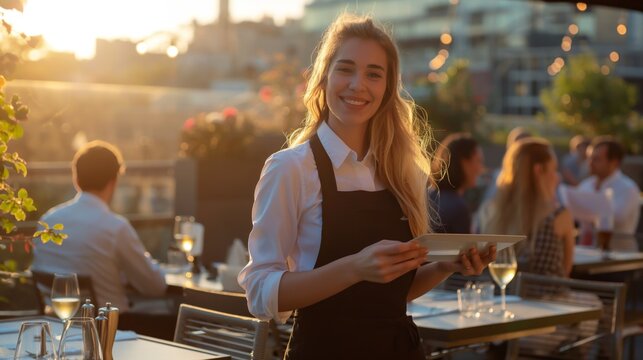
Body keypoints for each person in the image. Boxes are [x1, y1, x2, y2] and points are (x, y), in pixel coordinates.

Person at [238, 14, 496, 360]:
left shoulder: (401, 172)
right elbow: (259, 294)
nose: (358, 84)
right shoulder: (291, 168)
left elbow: (390, 295)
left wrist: (446, 266)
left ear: (388, 88)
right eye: (345, 69)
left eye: (374, 73)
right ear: (324, 77)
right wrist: (354, 268)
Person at [32, 140, 167, 312]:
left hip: (57, 326)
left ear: (76, 179)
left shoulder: (48, 221)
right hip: (110, 331)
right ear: (113, 182)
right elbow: (155, 287)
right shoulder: (115, 228)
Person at [481, 138, 574, 280]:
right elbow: (565, 272)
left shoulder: (495, 213)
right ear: (539, 170)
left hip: (501, 295)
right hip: (546, 299)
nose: (557, 177)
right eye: (554, 169)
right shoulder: (559, 215)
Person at [577, 136, 640, 250]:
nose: (590, 163)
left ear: (614, 163)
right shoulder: (586, 185)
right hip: (586, 254)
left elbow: (615, 217)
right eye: (589, 158)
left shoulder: (628, 188)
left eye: (596, 159)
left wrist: (584, 208)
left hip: (618, 259)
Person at [429, 133, 484, 233]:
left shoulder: (429, 196)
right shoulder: (458, 207)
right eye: (478, 161)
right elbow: (465, 248)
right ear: (464, 163)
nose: (480, 169)